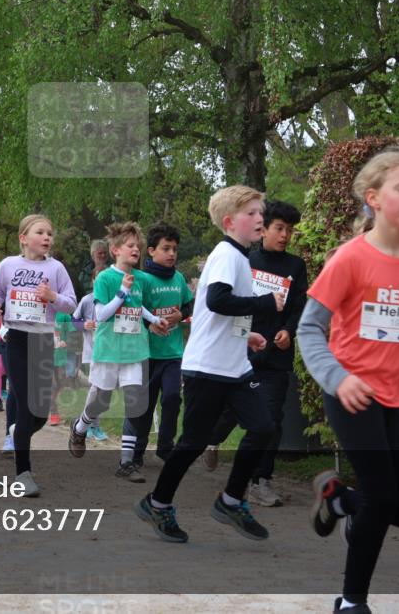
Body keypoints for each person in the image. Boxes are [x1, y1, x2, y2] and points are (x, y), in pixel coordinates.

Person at [299, 147, 399, 612]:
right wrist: (337, 378)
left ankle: (340, 499)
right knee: (383, 501)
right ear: (374, 197)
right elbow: (310, 329)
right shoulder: (349, 259)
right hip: (352, 395)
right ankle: (351, 600)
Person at [135, 185, 283, 544]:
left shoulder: (239, 257)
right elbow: (217, 299)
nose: (260, 217)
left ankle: (231, 500)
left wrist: (244, 335)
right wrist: (265, 304)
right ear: (231, 221)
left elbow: (212, 310)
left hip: (233, 367)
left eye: (261, 211)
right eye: (252, 213)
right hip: (207, 369)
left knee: (263, 428)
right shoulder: (226, 254)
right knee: (193, 443)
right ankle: (158, 503)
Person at [202, 201, 308, 507]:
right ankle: (212, 438)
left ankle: (261, 480)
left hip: (276, 354)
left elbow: (299, 305)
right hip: (241, 347)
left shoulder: (295, 267)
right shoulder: (245, 259)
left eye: (290, 230)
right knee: (234, 410)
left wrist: (289, 331)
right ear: (264, 230)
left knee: (271, 418)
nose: (285, 235)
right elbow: (228, 298)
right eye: (279, 228)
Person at [67, 222, 168, 483]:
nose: (136, 250)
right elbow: (101, 314)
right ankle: (80, 427)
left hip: (135, 349)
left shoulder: (142, 279)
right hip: (109, 350)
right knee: (101, 401)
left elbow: (140, 307)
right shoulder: (106, 278)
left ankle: (126, 463)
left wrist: (155, 320)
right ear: (115, 250)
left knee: (135, 404)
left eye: (138, 246)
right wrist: (121, 292)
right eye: (130, 246)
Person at [0, 214, 77, 497]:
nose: (47, 237)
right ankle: (23, 474)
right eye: (40, 232)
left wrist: (52, 296)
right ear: (23, 238)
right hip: (16, 338)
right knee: (26, 404)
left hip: (43, 341)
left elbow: (71, 305)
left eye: (50, 233)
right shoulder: (8, 265)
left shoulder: (57, 268)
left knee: (38, 411)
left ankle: (19, 432)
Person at [124, 223, 194, 465]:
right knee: (146, 405)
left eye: (175, 249)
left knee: (173, 398)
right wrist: (149, 324)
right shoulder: (141, 279)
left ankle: (165, 447)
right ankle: (138, 451)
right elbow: (131, 310)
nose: (172, 253)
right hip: (146, 354)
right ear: (151, 251)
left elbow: (189, 305)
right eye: (166, 248)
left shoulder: (179, 278)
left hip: (173, 354)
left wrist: (180, 316)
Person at [71, 271, 108, 442]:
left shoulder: (113, 299)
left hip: (110, 351)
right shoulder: (87, 300)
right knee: (96, 387)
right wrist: (84, 324)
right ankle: (93, 426)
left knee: (101, 390)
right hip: (92, 351)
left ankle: (84, 423)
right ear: (93, 281)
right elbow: (74, 321)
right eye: (98, 279)